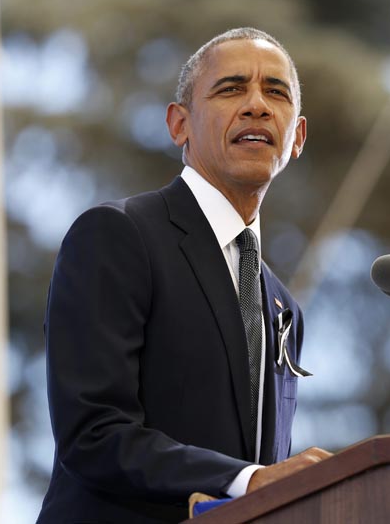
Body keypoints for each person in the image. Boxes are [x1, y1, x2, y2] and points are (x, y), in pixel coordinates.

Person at [37, 27, 331, 523]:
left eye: (275, 92)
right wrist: (248, 480)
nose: (258, 106)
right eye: (231, 88)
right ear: (179, 125)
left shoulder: (283, 308)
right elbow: (94, 433)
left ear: (296, 136)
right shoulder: (118, 234)